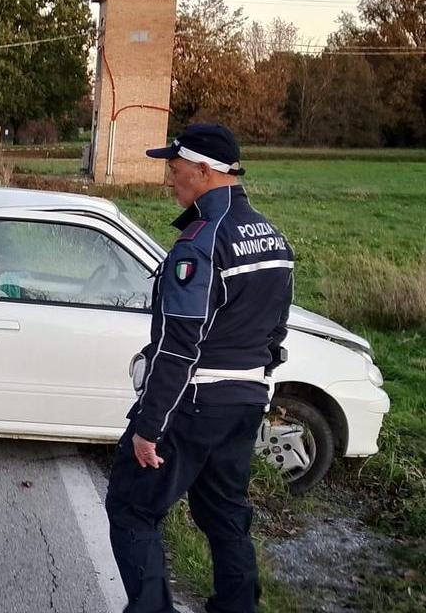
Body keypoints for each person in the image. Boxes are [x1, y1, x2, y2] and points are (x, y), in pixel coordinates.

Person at [105, 123, 294, 613]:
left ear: (204, 172)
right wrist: (252, 379)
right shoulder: (273, 238)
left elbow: (177, 348)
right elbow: (276, 332)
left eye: (175, 170)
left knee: (131, 508)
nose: (170, 181)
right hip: (245, 402)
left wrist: (149, 427)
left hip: (192, 406)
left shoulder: (201, 243)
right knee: (227, 517)